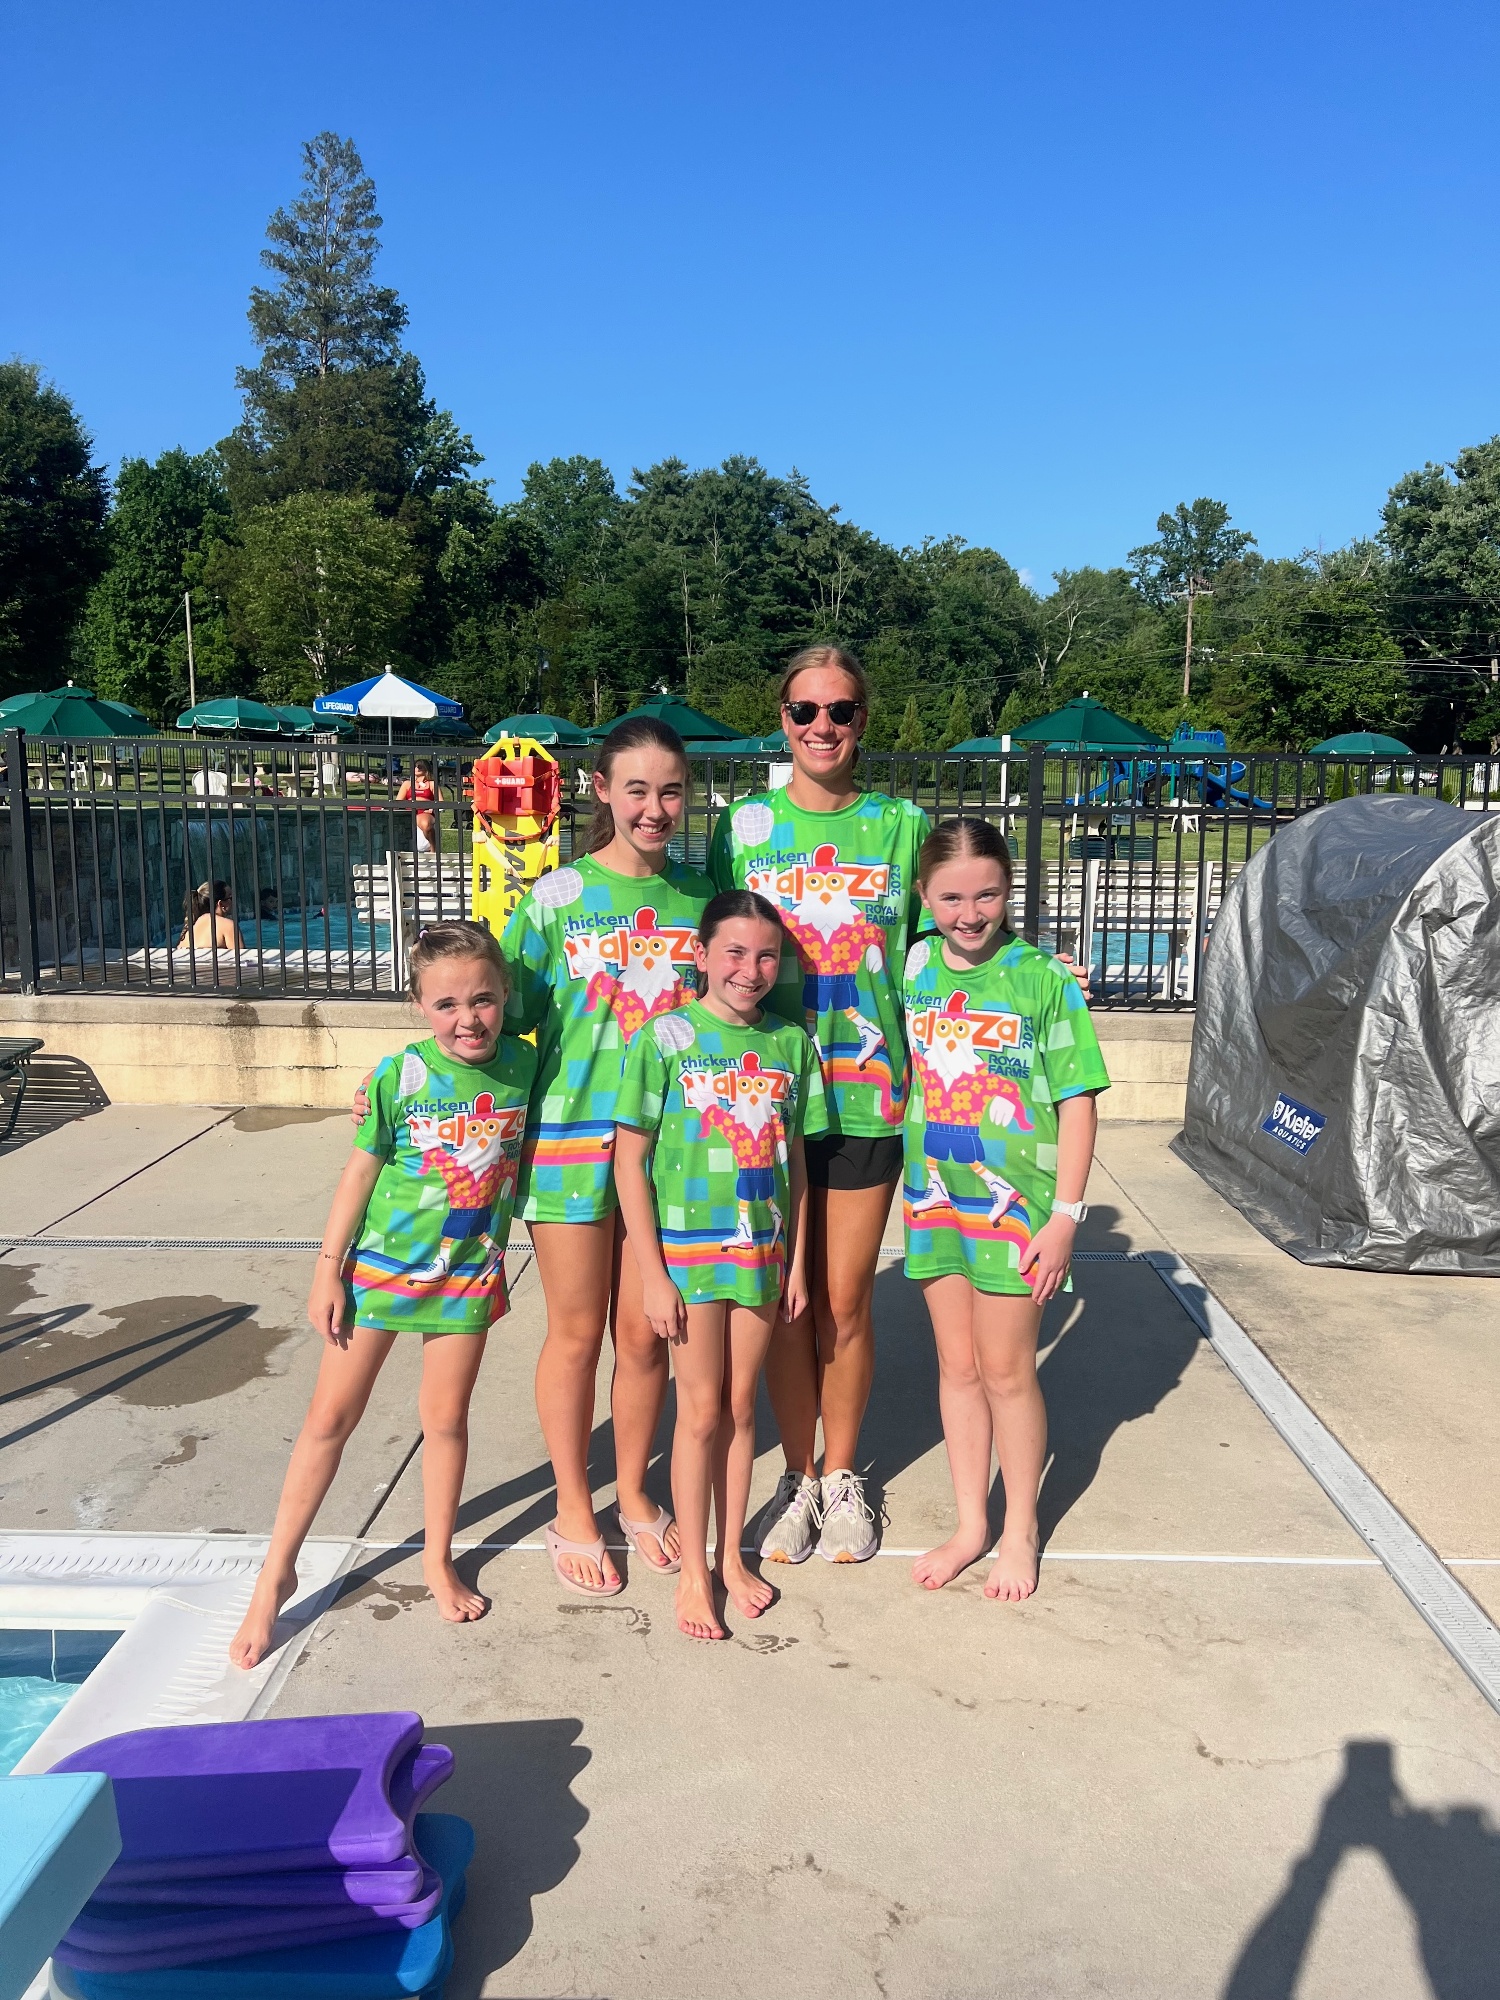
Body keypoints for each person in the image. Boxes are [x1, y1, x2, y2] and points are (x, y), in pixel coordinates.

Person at [229, 921, 534, 1669]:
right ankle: (276, 1575)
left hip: (467, 1271)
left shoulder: (527, 1065)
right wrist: (326, 1268)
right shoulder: (399, 1077)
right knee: (329, 1419)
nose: (468, 1018)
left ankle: (436, 1559)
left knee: (446, 1421)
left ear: (505, 995)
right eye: (446, 1004)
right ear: (419, 1006)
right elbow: (359, 1173)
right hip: (379, 1271)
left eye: (483, 999)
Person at [709, 646, 929, 1564]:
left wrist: (1037, 973)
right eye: (805, 711)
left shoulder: (903, 826)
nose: (823, 726)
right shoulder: (743, 826)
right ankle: (796, 1476)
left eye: (840, 710)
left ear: (862, 720)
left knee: (843, 1301)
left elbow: (945, 946)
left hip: (868, 1095)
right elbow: (706, 950)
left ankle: (841, 1475)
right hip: (765, 1097)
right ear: (784, 719)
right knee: (784, 1302)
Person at [501, 717, 716, 1594]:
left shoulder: (702, 901)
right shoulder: (555, 898)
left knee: (644, 1334)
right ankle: (571, 1507)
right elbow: (495, 1016)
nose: (655, 808)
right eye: (637, 789)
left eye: (670, 791)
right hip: (568, 1141)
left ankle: (631, 1492)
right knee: (577, 1332)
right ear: (602, 791)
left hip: (667, 1151)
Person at [902, 818, 1108, 1600]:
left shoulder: (1043, 980)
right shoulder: (913, 964)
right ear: (924, 897)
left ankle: (1019, 1528)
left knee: (1007, 1370)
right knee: (957, 1367)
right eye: (951, 897)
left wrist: (1067, 1216)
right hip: (933, 1197)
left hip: (1019, 1208)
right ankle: (971, 1525)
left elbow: (1079, 1101)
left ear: (1009, 890)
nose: (970, 913)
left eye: (987, 894)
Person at [614, 891, 825, 1640]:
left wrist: (797, 1263)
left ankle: (732, 1557)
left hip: (761, 1255)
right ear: (701, 955)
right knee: (700, 1411)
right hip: (688, 1257)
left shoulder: (791, 1044)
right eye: (734, 952)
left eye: (767, 956)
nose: (750, 969)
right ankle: (695, 1575)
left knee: (740, 1411)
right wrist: (652, 1273)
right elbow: (629, 1161)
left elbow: (797, 1164)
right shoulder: (664, 1037)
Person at [179, 880, 241, 953]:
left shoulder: (190, 928)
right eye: (231, 897)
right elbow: (241, 957)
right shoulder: (228, 926)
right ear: (221, 904)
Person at [399, 759, 440, 851]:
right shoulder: (407, 784)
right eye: (415, 766)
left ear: (426, 768)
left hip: (425, 811)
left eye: (420, 766)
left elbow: (441, 802)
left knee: (426, 825)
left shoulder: (432, 784)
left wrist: (432, 809)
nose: (417, 768)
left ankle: (433, 849)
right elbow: (398, 801)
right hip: (409, 811)